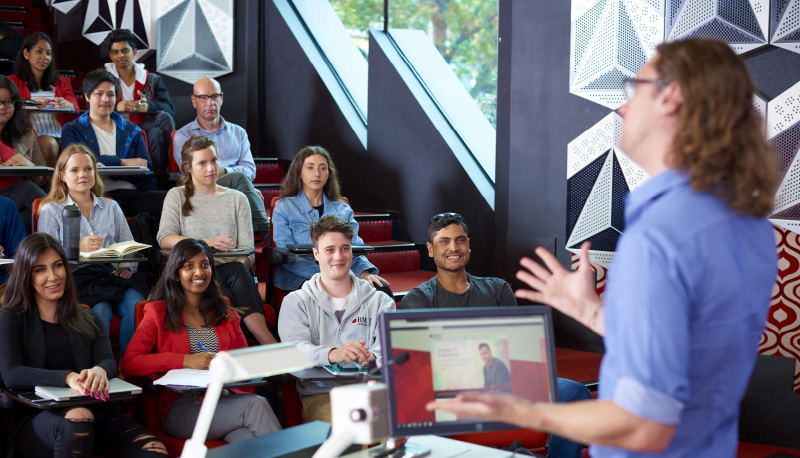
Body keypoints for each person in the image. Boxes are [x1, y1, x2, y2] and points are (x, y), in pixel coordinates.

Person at [427, 38, 779, 458]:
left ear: (672, 96)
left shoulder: (659, 236)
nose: (624, 106)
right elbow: (691, 353)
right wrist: (592, 312)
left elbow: (645, 427)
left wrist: (525, 409)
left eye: (636, 87)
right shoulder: (749, 223)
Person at [403, 212, 592, 458]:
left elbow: (514, 347)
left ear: (468, 245)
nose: (454, 247)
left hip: (504, 380)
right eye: (444, 241)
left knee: (574, 393)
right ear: (430, 249)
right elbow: (428, 363)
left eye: (460, 240)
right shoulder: (418, 299)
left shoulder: (498, 288)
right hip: (449, 389)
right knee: (424, 404)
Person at [0, 233, 166, 458]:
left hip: (95, 413)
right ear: (27, 276)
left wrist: (100, 370)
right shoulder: (12, 317)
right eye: (40, 270)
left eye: (58, 266)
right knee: (78, 418)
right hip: (36, 417)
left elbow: (107, 360)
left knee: (153, 451)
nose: (53, 276)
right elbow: (11, 373)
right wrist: (68, 377)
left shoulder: (87, 317)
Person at [122, 238, 281, 443]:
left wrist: (224, 390)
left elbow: (242, 363)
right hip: (181, 409)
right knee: (255, 404)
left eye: (204, 265)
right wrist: (185, 360)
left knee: (247, 439)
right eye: (189, 266)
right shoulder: (157, 312)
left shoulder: (225, 310)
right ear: (176, 274)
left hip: (223, 402)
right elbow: (130, 363)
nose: (199, 272)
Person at [157, 135, 277, 345]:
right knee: (230, 288)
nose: (211, 168)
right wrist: (204, 243)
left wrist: (241, 265)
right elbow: (164, 238)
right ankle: (264, 346)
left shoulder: (237, 198)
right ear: (188, 167)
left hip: (228, 272)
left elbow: (248, 251)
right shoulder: (176, 195)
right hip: (191, 271)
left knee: (239, 272)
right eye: (202, 163)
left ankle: (264, 340)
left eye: (213, 161)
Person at [279, 215, 395, 423]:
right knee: (348, 434)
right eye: (329, 250)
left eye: (345, 248)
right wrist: (333, 353)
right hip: (323, 395)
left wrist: (373, 358)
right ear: (316, 253)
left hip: (371, 391)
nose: (338, 256)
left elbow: (390, 348)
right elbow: (294, 349)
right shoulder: (296, 302)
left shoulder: (380, 301)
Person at [37, 144, 148, 359]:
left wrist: (126, 266)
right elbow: (46, 258)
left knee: (135, 303)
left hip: (109, 274)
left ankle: (130, 368)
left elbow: (128, 246)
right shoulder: (51, 210)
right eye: (75, 170)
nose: (83, 175)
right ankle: (101, 370)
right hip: (75, 276)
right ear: (62, 175)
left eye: (88, 169)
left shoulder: (110, 206)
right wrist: (77, 250)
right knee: (102, 310)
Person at [272, 146, 389, 295]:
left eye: (322, 168)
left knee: (381, 290)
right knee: (327, 291)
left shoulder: (343, 210)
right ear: (299, 173)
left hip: (341, 273)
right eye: (310, 168)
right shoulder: (284, 208)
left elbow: (355, 248)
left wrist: (364, 273)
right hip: (301, 277)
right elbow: (287, 256)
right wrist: (329, 276)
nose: (317, 173)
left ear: (328, 174)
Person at [171, 77, 269, 238]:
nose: (210, 103)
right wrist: (234, 178)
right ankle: (267, 235)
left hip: (238, 189)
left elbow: (250, 170)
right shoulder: (183, 136)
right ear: (194, 101)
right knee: (239, 177)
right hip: (201, 192)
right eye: (203, 97)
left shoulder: (238, 133)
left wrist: (242, 185)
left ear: (221, 98)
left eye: (214, 96)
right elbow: (192, 174)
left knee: (240, 178)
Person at [61, 69, 166, 216]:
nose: (105, 100)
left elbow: (146, 168)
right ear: (87, 96)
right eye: (99, 94)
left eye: (110, 95)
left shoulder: (131, 129)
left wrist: (108, 169)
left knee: (169, 200)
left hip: (132, 193)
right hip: (95, 195)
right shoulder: (72, 129)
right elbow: (76, 165)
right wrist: (123, 163)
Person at [102, 29, 175, 178]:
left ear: (134, 52)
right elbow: (90, 105)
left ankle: (160, 175)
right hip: (116, 126)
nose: (120, 56)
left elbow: (169, 108)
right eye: (115, 52)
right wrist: (117, 106)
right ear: (110, 55)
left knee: (161, 123)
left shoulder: (151, 79)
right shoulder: (102, 78)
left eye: (125, 51)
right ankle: (161, 175)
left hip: (143, 125)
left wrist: (148, 106)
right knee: (155, 132)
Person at [10, 32, 78, 167]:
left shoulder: (61, 82)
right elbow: (7, 104)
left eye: (48, 53)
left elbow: (74, 106)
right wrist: (31, 103)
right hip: (28, 135)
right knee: (48, 143)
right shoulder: (13, 81)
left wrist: (67, 104)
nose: (44, 57)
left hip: (60, 134)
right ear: (26, 54)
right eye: (39, 52)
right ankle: (48, 186)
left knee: (76, 148)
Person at [0, 75, 46, 233]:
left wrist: (30, 165)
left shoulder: (27, 135)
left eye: (8, 102)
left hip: (21, 202)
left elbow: (41, 179)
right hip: (9, 196)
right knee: (27, 188)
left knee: (31, 216)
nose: (3, 107)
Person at [0, 195, 24, 300]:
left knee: (18, 298)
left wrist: (1, 256)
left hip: (2, 280)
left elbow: (18, 259)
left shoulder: (6, 206)